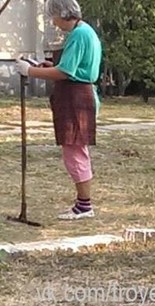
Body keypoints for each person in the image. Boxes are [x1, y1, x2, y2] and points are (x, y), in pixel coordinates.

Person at [15, 0, 102, 220]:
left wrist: (31, 71)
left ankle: (84, 205)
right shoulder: (83, 31)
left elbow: (66, 71)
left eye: (53, 17)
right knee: (75, 150)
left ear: (63, 14)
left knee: (74, 152)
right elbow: (71, 66)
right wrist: (45, 66)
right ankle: (83, 203)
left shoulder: (80, 35)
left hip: (76, 98)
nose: (53, 22)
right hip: (76, 95)